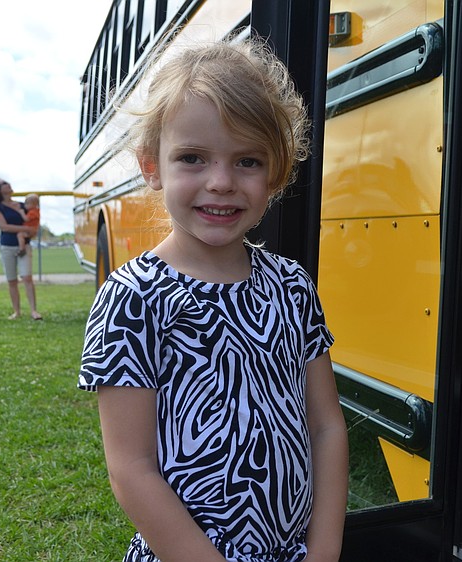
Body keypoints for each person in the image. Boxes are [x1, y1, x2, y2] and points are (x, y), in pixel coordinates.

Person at [78, 38, 348, 562]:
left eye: (247, 160)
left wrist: (323, 552)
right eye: (193, 158)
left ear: (276, 170)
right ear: (151, 166)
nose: (221, 183)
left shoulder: (292, 286)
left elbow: (327, 426)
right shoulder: (132, 299)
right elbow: (130, 468)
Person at [0, 179, 43, 320]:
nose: (8, 184)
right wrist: (26, 229)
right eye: (4, 183)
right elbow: (4, 227)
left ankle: (33, 311)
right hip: (7, 246)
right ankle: (17, 311)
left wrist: (32, 230)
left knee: (27, 278)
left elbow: (33, 220)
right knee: (12, 281)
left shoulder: (22, 205)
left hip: (24, 245)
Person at [16, 193, 40, 257]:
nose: (25, 206)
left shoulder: (33, 212)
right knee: (21, 235)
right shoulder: (34, 211)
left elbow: (26, 219)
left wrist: (21, 212)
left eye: (27, 204)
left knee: (20, 235)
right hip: (31, 229)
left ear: (34, 204)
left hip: (30, 229)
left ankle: (22, 249)